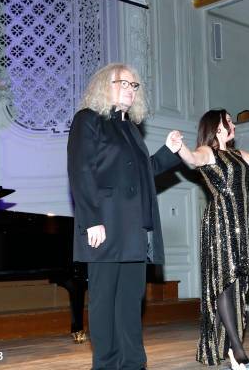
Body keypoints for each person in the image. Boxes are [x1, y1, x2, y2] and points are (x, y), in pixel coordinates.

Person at [67, 63, 183, 370]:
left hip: (135, 228)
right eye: (124, 84)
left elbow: (144, 173)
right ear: (105, 85)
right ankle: (106, 364)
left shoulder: (130, 129)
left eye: (134, 86)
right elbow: (81, 170)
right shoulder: (88, 120)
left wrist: (168, 152)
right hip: (104, 224)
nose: (131, 90)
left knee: (131, 301)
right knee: (104, 300)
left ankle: (133, 362)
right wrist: (91, 219)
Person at [175, 109, 249, 366]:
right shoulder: (208, 152)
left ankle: (230, 344)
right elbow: (192, 160)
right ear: (216, 126)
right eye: (228, 120)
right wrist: (180, 148)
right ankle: (237, 347)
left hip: (239, 225)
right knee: (224, 282)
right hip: (219, 224)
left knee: (236, 284)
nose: (233, 124)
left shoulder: (237, 155)